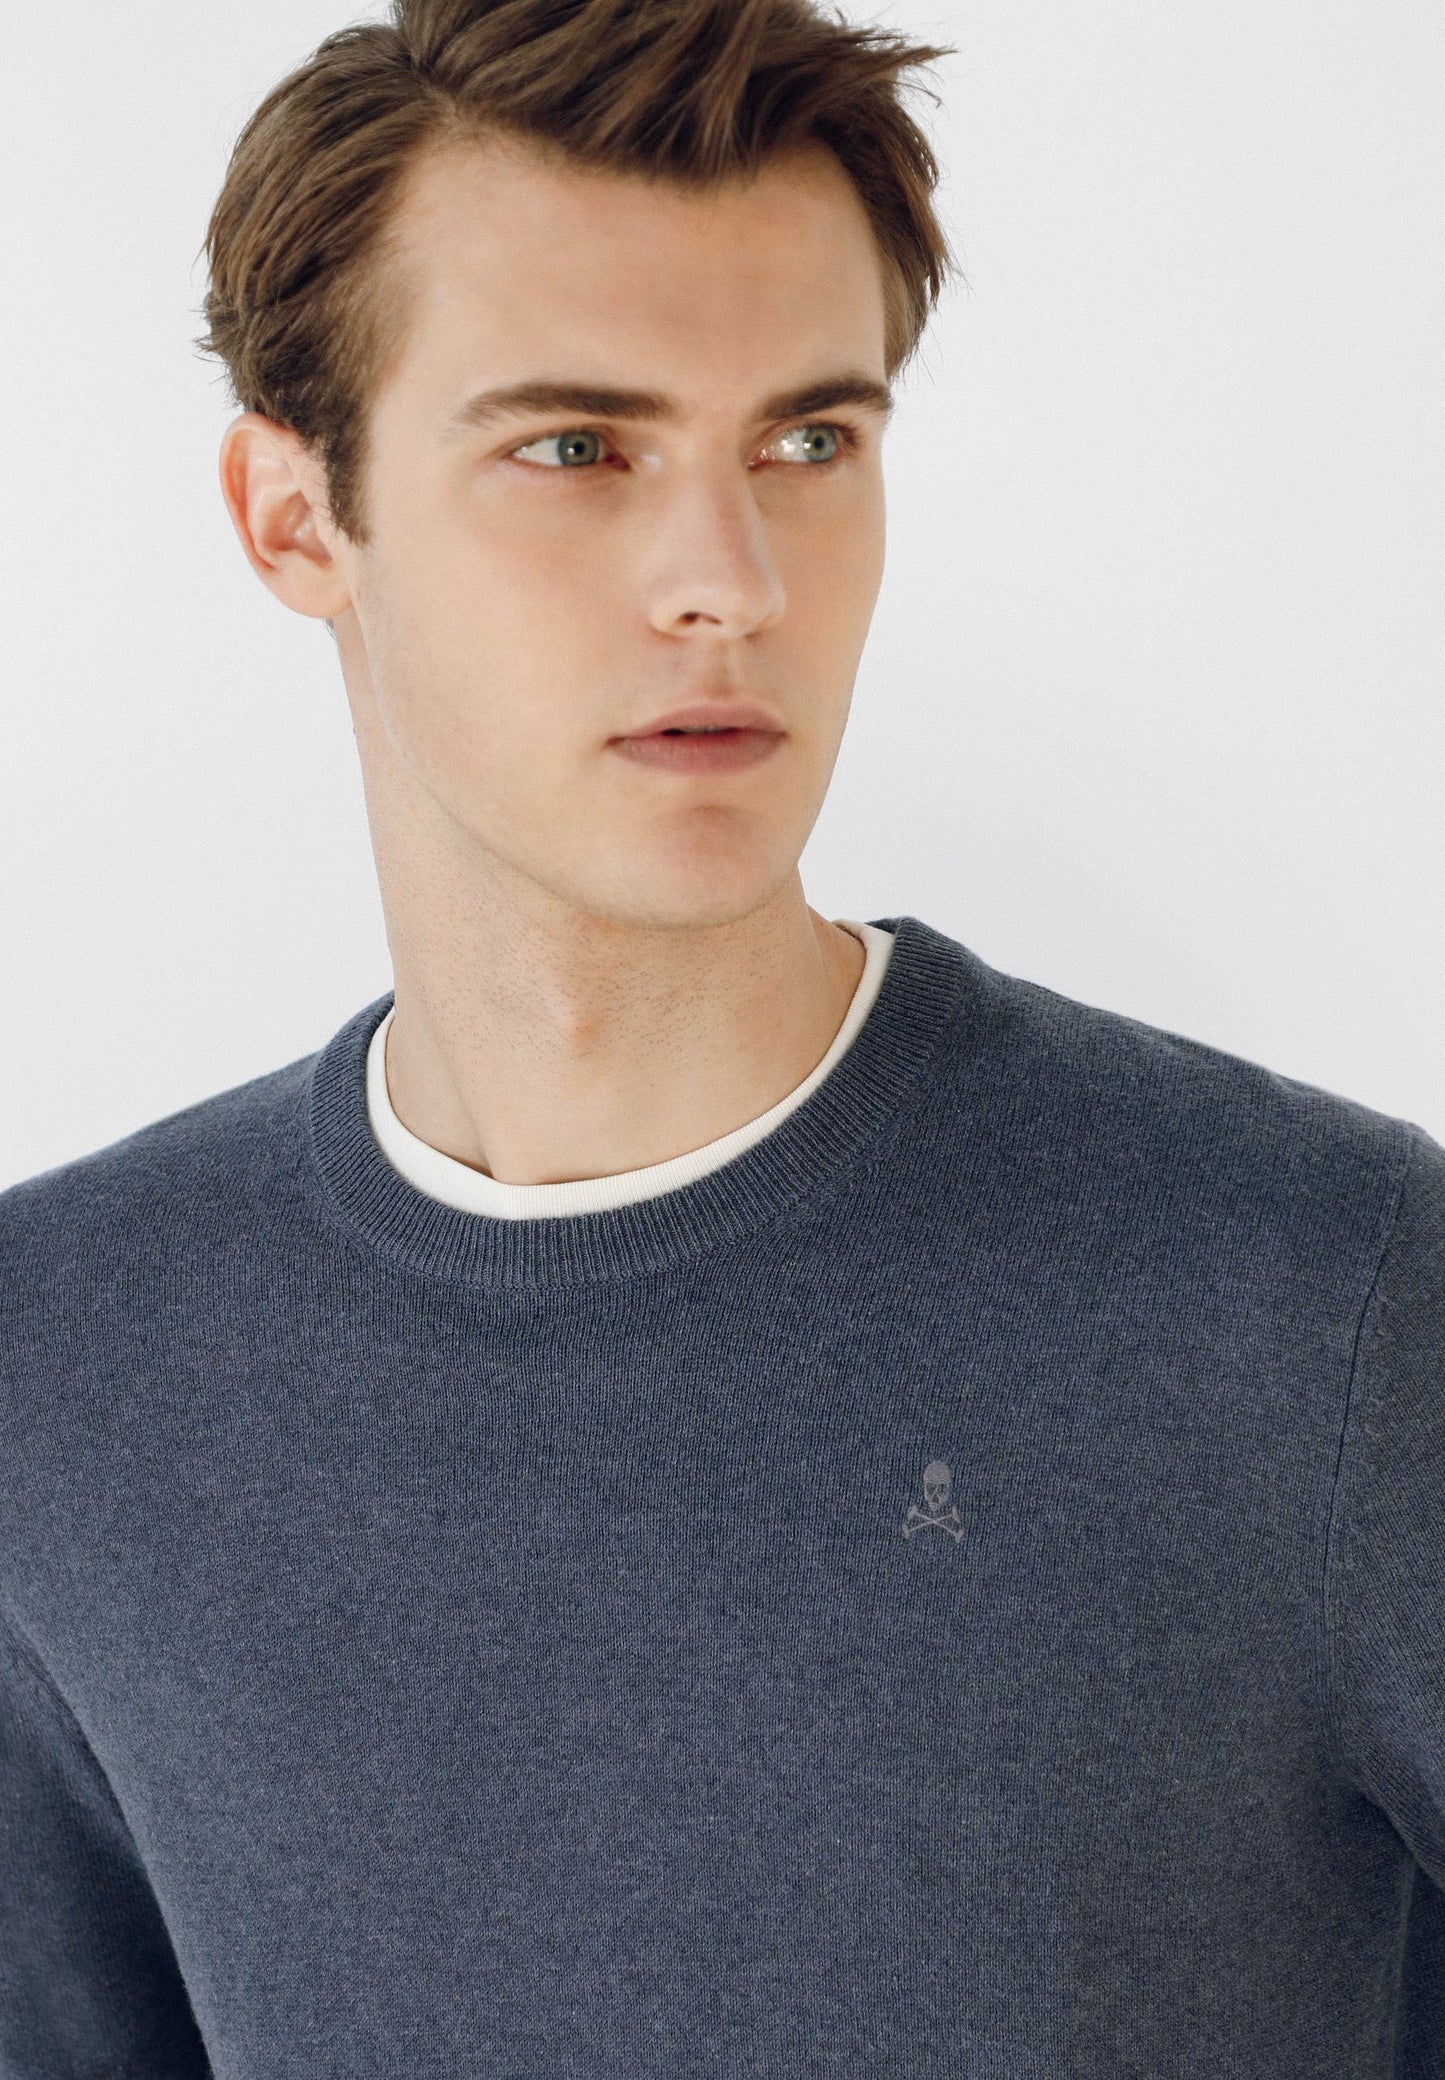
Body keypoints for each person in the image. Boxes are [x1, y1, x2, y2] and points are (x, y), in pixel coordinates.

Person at [1, 0, 1441, 2072]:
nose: (728, 580)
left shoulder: (1329, 1301)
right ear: (296, 518)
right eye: (577, 449)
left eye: (806, 443)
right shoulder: (60, 1362)